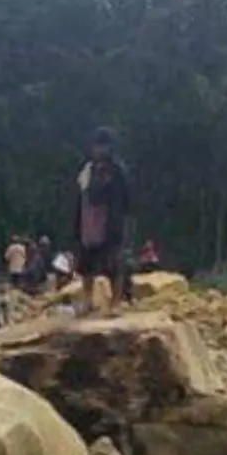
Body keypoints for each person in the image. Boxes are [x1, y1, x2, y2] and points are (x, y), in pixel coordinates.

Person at [72, 127, 131, 314]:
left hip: (109, 221)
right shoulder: (87, 170)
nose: (98, 150)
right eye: (96, 146)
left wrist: (119, 219)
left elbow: (126, 197)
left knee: (114, 264)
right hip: (88, 222)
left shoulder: (117, 171)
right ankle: (88, 300)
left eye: (102, 146)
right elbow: (81, 196)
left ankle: (116, 302)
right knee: (86, 264)